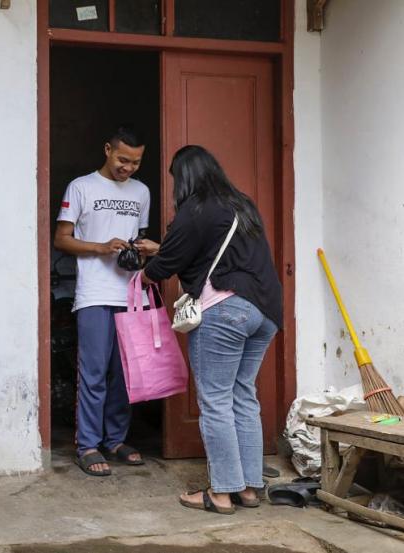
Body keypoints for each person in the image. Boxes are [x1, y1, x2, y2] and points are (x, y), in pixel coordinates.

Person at [139, 145, 283, 514]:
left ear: (183, 177)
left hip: (225, 310)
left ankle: (221, 493)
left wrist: (146, 272)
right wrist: (164, 249)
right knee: (242, 396)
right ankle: (249, 488)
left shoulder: (197, 207)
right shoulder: (241, 204)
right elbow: (209, 248)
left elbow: (170, 261)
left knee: (216, 400)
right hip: (264, 312)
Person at [54, 125, 155, 477]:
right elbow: (61, 239)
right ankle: (88, 445)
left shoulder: (142, 192)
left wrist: (138, 252)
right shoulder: (81, 187)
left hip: (130, 293)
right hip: (94, 293)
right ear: (107, 150)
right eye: (123, 159)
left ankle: (115, 439)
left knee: (125, 374)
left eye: (136, 162)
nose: (128, 167)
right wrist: (100, 247)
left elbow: (139, 239)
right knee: (94, 372)